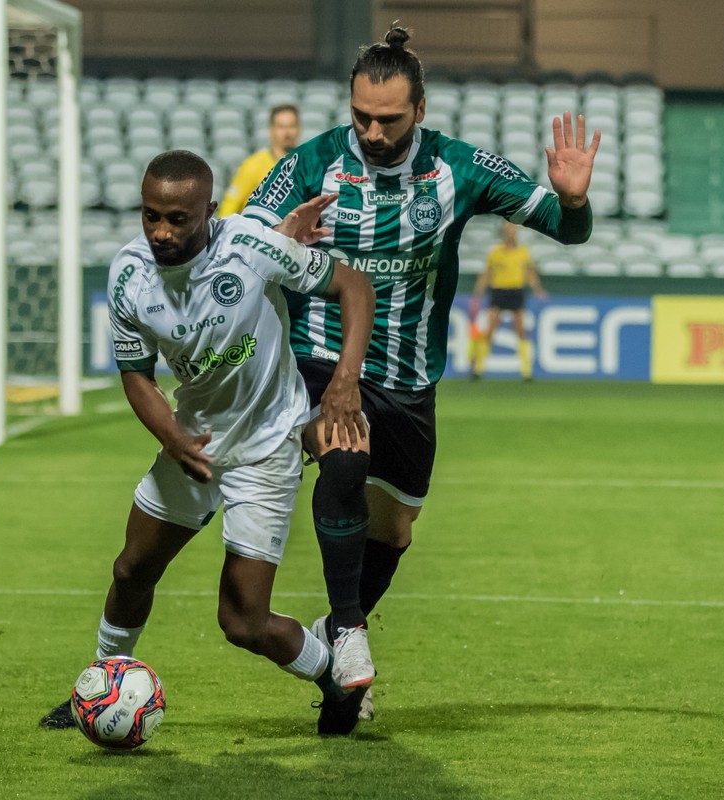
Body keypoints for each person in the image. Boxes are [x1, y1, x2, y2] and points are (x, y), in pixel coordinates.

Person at [243, 24, 599, 728]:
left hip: (409, 378)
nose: (373, 132)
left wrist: (574, 201)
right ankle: (346, 636)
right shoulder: (311, 163)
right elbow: (247, 242)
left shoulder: (459, 169)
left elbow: (567, 228)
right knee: (343, 456)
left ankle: (333, 641)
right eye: (362, 117)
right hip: (322, 359)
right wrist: (280, 236)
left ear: (422, 109)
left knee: (395, 531)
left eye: (390, 119)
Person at [39, 150, 375, 736]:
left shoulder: (251, 245)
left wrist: (345, 378)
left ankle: (330, 674)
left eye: (177, 218)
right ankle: (99, 686)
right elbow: (136, 374)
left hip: (268, 448)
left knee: (242, 622)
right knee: (130, 570)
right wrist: (171, 435)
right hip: (192, 441)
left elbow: (354, 286)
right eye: (150, 216)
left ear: (209, 212)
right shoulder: (128, 275)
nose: (161, 232)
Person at [468, 222, 547, 380]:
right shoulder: (495, 253)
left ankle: (527, 371)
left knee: (520, 330)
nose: (511, 234)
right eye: (508, 231)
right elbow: (486, 275)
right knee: (490, 328)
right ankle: (478, 368)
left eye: (513, 231)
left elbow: (529, 273)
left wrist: (538, 289)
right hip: (498, 291)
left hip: (516, 291)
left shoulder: (523, 252)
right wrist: (477, 295)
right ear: (503, 233)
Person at [218, 104, 301, 217]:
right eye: (281, 127)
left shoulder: (306, 165)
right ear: (271, 130)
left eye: (291, 126)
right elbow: (231, 204)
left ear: (298, 129)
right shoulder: (253, 165)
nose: (287, 132)